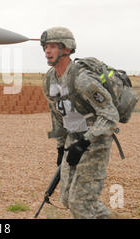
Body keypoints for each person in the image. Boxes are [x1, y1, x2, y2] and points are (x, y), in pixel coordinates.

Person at [41, 26, 123, 219]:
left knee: (81, 203)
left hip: (95, 141)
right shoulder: (49, 79)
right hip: (73, 140)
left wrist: (86, 141)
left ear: (67, 48)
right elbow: (57, 115)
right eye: (45, 47)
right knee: (67, 198)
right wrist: (61, 148)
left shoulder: (81, 78)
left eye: (53, 46)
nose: (47, 51)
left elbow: (110, 114)